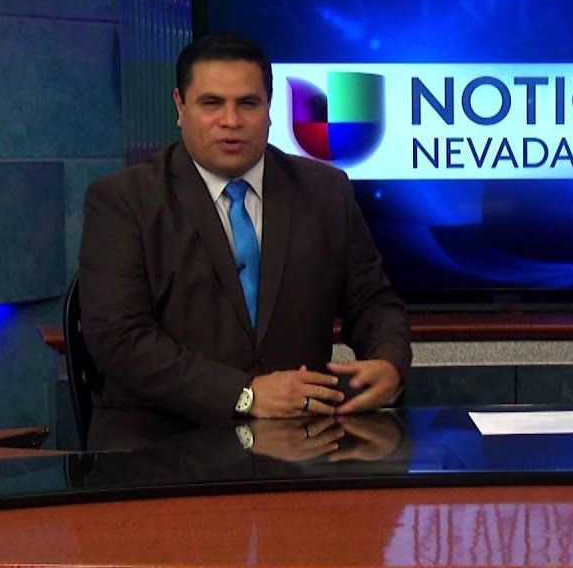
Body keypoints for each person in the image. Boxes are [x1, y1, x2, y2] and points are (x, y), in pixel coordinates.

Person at [78, 33, 411, 431]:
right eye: (211, 103)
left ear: (270, 109)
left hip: (302, 437)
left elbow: (372, 301)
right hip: (161, 439)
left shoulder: (325, 190)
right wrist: (245, 393)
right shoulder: (123, 200)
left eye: (248, 103)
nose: (231, 121)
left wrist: (389, 361)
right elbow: (119, 340)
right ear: (179, 106)